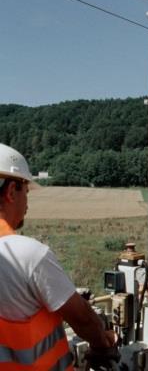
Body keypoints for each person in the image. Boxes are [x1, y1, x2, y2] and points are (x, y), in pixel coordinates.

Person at [0, 143, 116, 369]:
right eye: (27, 191)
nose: (27, 203)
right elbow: (82, 319)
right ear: (12, 191)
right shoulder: (28, 255)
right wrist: (103, 345)